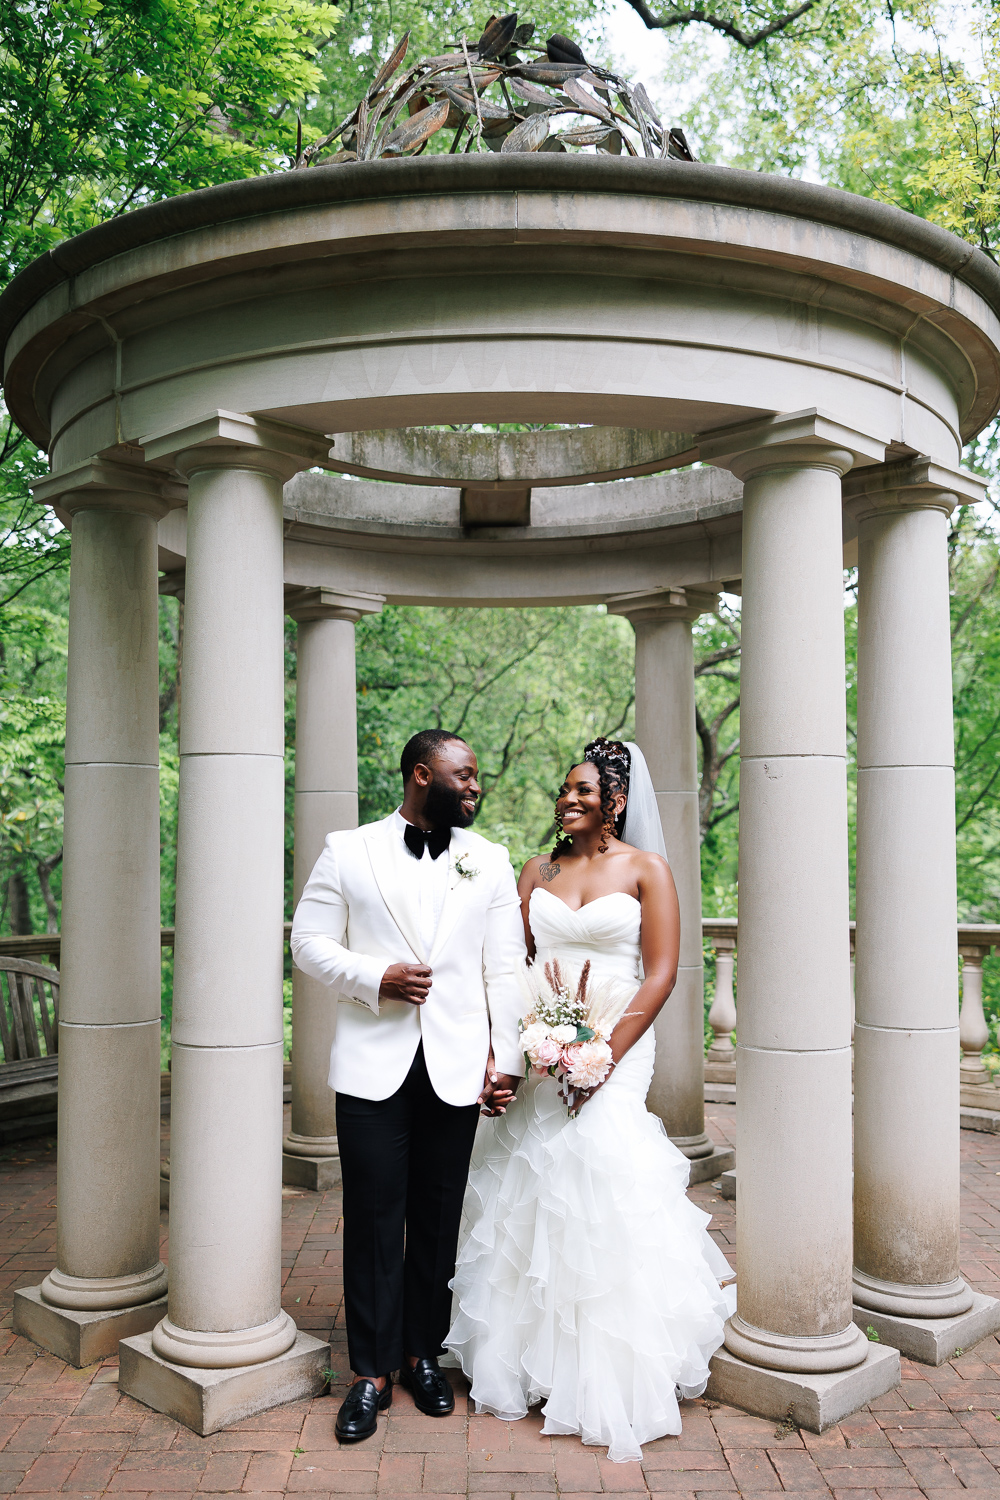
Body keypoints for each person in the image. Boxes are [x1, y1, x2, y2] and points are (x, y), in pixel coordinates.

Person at [445, 737, 736, 1463]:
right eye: (564, 789)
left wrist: (603, 1056)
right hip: (540, 1041)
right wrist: (513, 1051)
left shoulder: (646, 869)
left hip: (619, 1046)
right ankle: (524, 1357)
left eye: (584, 790)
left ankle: (606, 1367)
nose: (568, 798)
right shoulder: (536, 871)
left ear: (616, 802)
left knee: (600, 1176)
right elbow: (511, 965)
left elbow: (661, 973)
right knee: (526, 1182)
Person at [290, 729, 525, 1444]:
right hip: (371, 1065)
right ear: (423, 775)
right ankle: (370, 1372)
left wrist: (507, 1059)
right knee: (371, 1216)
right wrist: (375, 977)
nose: (476, 786)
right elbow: (307, 941)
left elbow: (503, 968)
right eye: (465, 774)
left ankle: (423, 1355)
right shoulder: (348, 850)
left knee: (436, 1216)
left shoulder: (489, 860)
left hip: (457, 1066)